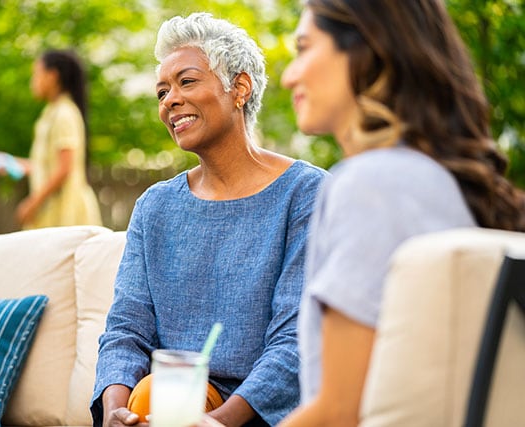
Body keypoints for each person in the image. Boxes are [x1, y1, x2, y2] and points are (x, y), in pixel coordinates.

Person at [277, 1, 525, 426]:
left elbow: (339, 413)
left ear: (365, 48)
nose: (288, 75)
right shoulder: (448, 186)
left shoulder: (369, 185)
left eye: (304, 48)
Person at [91, 12, 328, 427]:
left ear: (239, 88)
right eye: (162, 92)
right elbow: (126, 331)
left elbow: (296, 341)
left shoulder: (307, 194)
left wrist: (219, 422)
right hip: (168, 407)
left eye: (186, 82)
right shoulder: (155, 207)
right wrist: (114, 412)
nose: (169, 101)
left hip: (264, 415)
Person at [2, 49, 101, 229]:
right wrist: (12, 163)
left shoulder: (64, 114)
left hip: (67, 214)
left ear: (52, 76)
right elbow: (48, 166)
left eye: (37, 74)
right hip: (54, 214)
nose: (33, 81)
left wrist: (32, 203)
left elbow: (64, 169)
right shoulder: (50, 114)